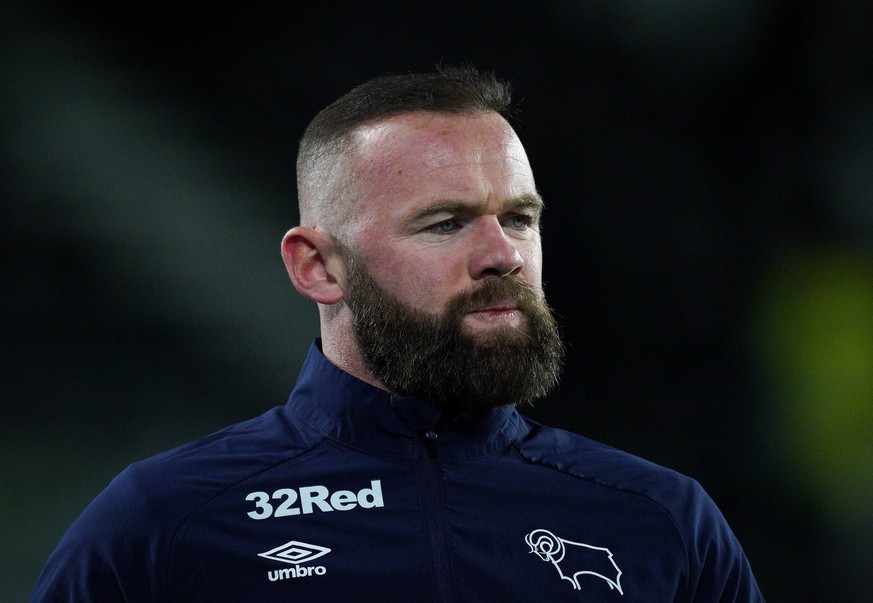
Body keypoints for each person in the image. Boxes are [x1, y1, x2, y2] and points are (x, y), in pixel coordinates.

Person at [31, 65, 764, 602]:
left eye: (518, 217)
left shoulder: (661, 518)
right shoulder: (163, 524)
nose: (502, 255)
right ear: (317, 266)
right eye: (445, 222)